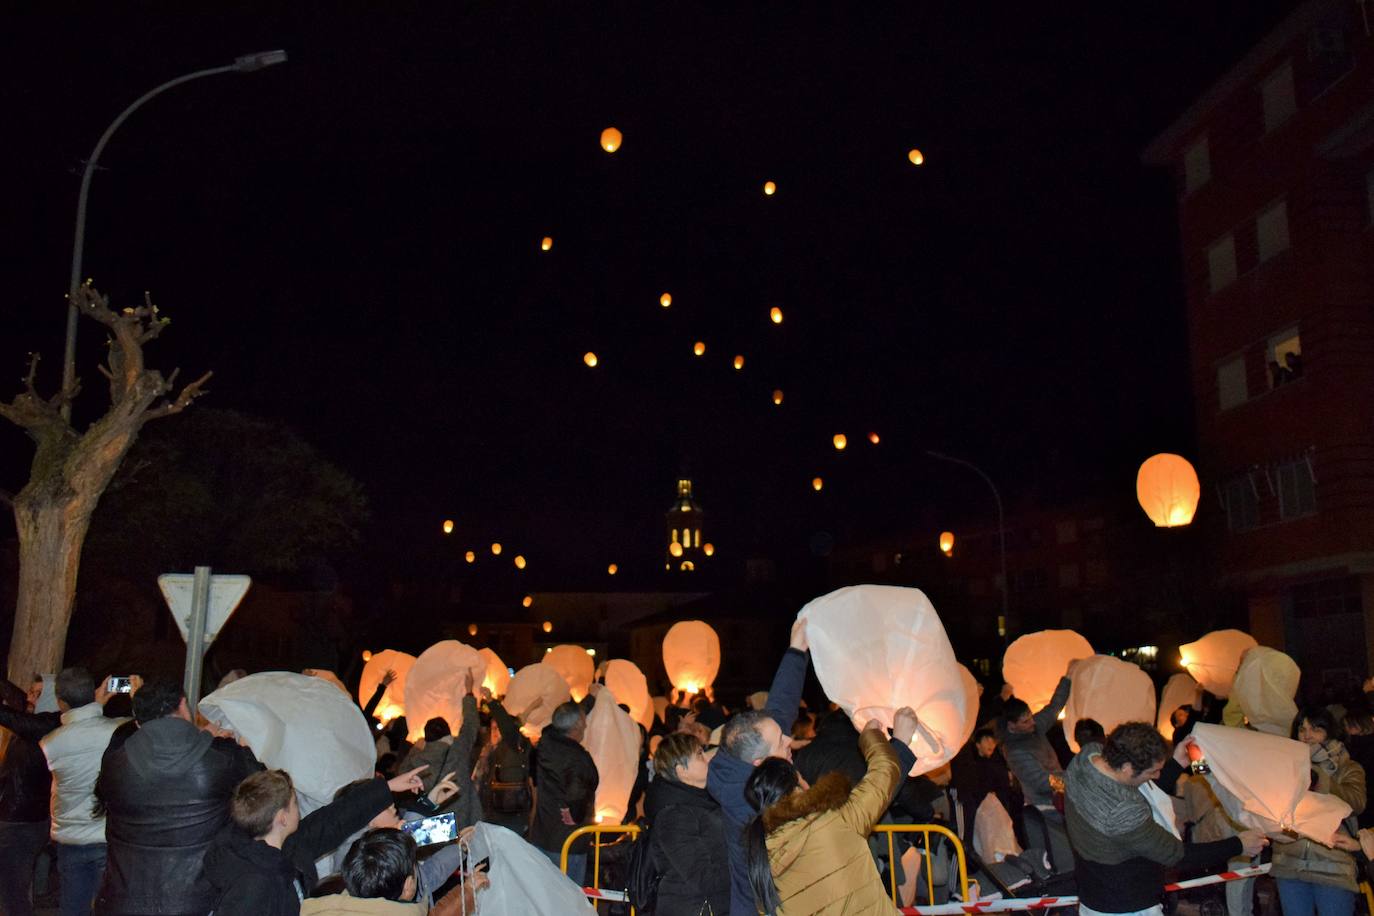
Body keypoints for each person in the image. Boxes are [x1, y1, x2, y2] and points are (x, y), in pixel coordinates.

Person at [93, 676, 264, 915]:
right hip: (197, 901)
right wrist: (241, 748)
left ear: (139, 722)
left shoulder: (114, 761)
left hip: (122, 900)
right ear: (183, 705)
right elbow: (265, 797)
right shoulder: (223, 758)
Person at [1064, 722, 1265, 916]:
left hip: (1094, 893)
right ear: (1126, 767)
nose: (1158, 776)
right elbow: (1175, 854)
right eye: (1153, 771)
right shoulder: (1122, 811)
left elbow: (1144, 790)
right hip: (1126, 905)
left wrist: (1176, 763)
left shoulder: (1088, 756)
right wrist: (1238, 845)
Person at [204, 764, 428, 915]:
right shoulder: (252, 883)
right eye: (294, 803)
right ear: (282, 818)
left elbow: (334, 820)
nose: (297, 808)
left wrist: (387, 787)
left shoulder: (286, 845)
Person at [742, 714, 909, 914]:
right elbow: (885, 771)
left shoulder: (761, 851)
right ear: (797, 783)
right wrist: (870, 735)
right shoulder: (836, 819)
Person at [710, 619, 810, 916]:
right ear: (759, 763)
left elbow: (779, 709)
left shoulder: (732, 761)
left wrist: (796, 650)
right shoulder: (754, 804)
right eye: (781, 743)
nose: (790, 741)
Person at [40, 667, 129, 916]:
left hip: (69, 839)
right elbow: (146, 725)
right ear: (93, 692)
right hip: (106, 835)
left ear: (60, 701)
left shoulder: (50, 743)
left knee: (72, 906)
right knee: (108, 907)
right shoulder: (118, 730)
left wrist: (92, 707)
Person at [1271, 707, 1366, 916]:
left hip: (1333, 865)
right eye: (1301, 729)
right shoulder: (1286, 767)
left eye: (1315, 729)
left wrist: (1321, 778)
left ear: (1330, 732)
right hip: (1290, 864)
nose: (1307, 735)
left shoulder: (1348, 767)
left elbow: (1357, 804)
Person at [300, 828, 485, 915]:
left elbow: (429, 873)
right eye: (415, 867)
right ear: (408, 887)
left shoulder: (334, 894)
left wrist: (460, 847)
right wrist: (467, 893)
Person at [645, 733, 730, 916]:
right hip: (693, 908)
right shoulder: (674, 816)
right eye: (699, 754)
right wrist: (744, 863)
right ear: (681, 771)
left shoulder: (703, 801)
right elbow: (704, 878)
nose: (707, 758)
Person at [0, 677, 61, 916]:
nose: (30, 698)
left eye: (37, 693)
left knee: (12, 891)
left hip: (23, 821)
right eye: (30, 692)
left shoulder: (47, 726)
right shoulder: (34, 727)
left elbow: (15, 719)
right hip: (18, 817)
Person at [529, 700, 599, 885]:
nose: (586, 723)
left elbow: (561, 720)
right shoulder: (577, 758)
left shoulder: (546, 743)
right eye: (583, 719)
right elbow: (577, 793)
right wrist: (575, 814)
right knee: (569, 896)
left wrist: (590, 700)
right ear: (576, 725)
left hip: (543, 832)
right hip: (568, 841)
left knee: (544, 894)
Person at [996, 669, 1074, 809]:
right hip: (1045, 806)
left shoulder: (1033, 727)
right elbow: (1042, 782)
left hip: (1061, 797)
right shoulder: (1015, 751)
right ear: (1012, 726)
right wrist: (1074, 781)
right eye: (1025, 721)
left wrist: (1067, 678)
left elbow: (1053, 708)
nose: (1032, 722)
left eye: (1031, 716)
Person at [477, 688, 538, 835]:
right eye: (493, 728)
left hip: (511, 812)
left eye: (499, 728)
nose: (495, 731)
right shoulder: (487, 749)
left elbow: (509, 728)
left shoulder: (514, 745)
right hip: (491, 812)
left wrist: (491, 702)